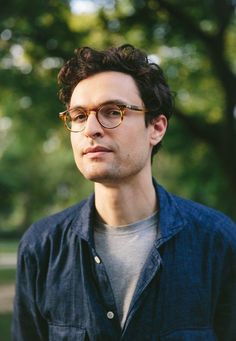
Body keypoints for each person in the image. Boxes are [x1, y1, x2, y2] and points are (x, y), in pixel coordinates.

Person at [12, 44, 236, 340]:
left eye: (112, 111)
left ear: (156, 127)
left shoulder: (218, 240)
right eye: (79, 116)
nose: (91, 128)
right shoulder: (41, 247)